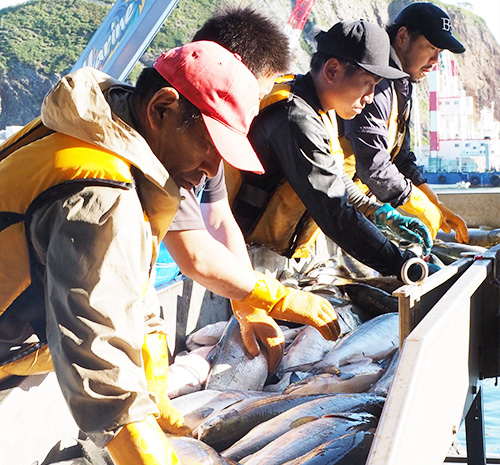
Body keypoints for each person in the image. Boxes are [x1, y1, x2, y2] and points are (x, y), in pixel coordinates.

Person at [0, 41, 339, 465]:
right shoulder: (99, 189)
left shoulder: (102, 134)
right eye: (210, 146)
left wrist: (154, 377)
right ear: (162, 108)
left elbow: (120, 282)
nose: (214, 169)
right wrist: (145, 447)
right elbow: (96, 349)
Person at [162, 6, 308, 373]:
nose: (252, 112)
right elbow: (195, 254)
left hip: (161, 290)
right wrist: (263, 293)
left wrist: (250, 304)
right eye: (252, 96)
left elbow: (218, 215)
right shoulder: (170, 142)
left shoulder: (201, 142)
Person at [230, 19, 431, 279]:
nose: (370, 97)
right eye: (368, 83)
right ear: (333, 70)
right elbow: (335, 213)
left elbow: (334, 177)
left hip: (280, 257)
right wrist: (402, 264)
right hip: (250, 259)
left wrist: (378, 212)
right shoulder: (295, 118)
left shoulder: (317, 108)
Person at [341, 2, 469, 243]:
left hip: (353, 210)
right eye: (430, 47)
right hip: (335, 207)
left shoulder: (402, 84)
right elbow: (374, 165)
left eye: (440, 52)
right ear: (402, 36)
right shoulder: (377, 83)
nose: (435, 60)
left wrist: (436, 206)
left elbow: (401, 159)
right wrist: (422, 209)